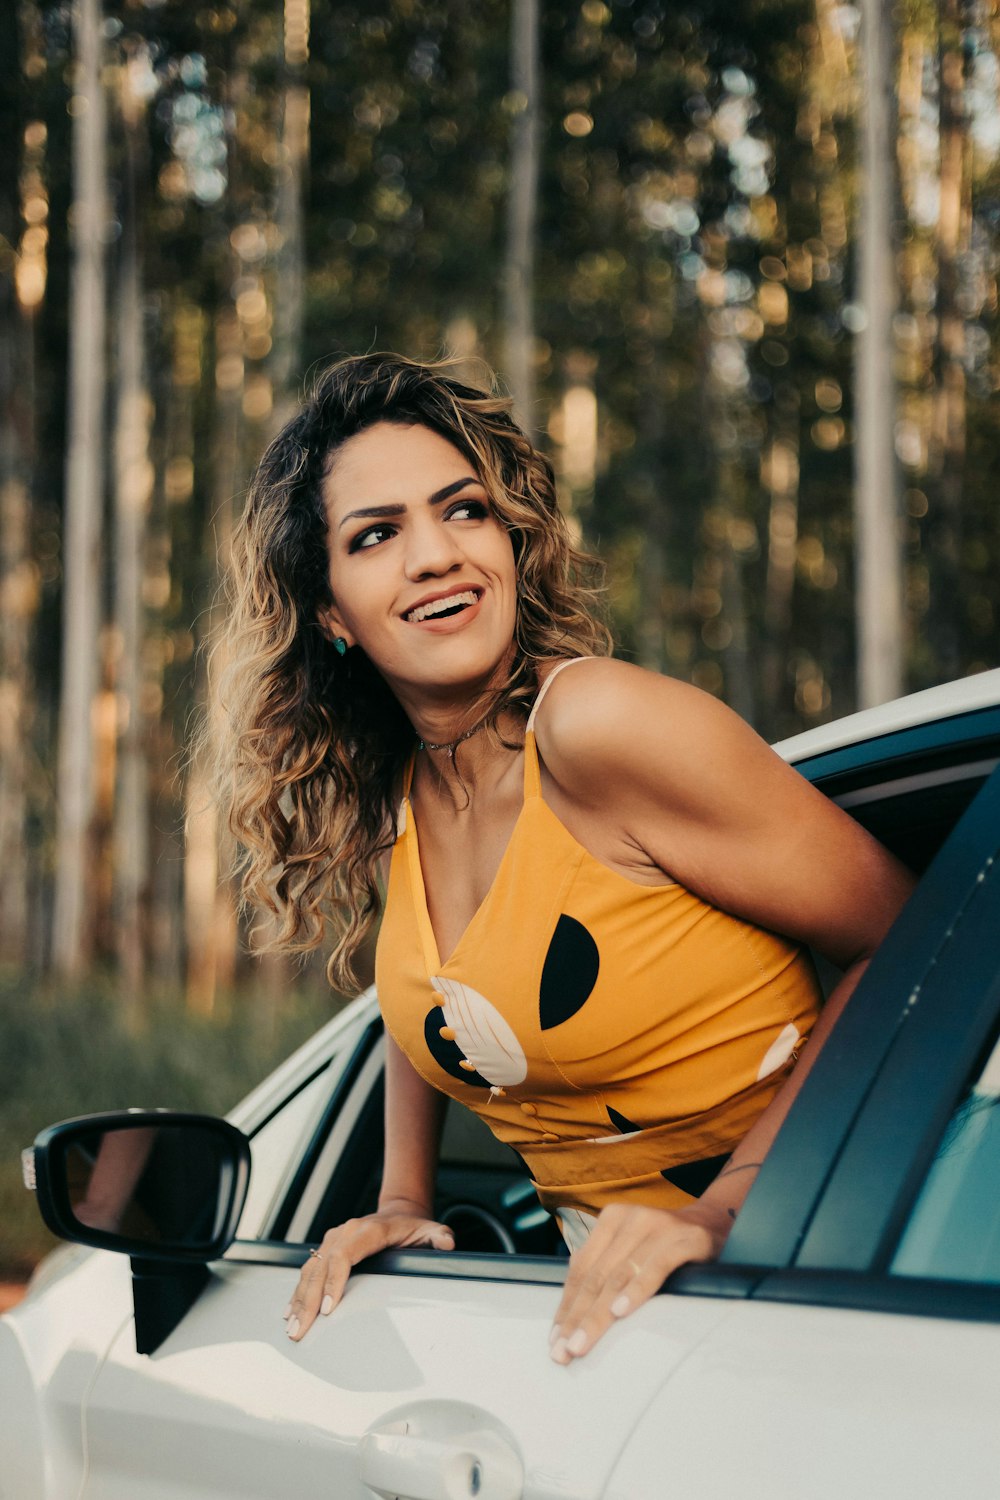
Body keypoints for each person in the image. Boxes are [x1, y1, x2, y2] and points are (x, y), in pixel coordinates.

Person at [212, 352, 914, 1365]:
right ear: (329, 612)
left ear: (509, 538)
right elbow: (428, 1002)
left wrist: (726, 1212)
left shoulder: (594, 729)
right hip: (615, 1306)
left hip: (818, 1256)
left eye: (463, 511)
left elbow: (915, 940)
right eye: (376, 535)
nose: (435, 555)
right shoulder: (403, 795)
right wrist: (402, 1200)